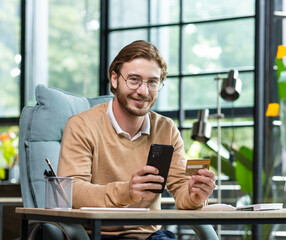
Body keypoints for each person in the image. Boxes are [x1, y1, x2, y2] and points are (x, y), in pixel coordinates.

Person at [57, 40, 216, 239]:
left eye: (152, 82)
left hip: (151, 236)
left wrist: (194, 195)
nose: (143, 91)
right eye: (134, 80)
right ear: (114, 79)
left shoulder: (166, 129)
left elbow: (181, 190)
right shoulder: (81, 125)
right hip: (95, 234)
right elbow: (71, 192)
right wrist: (127, 192)